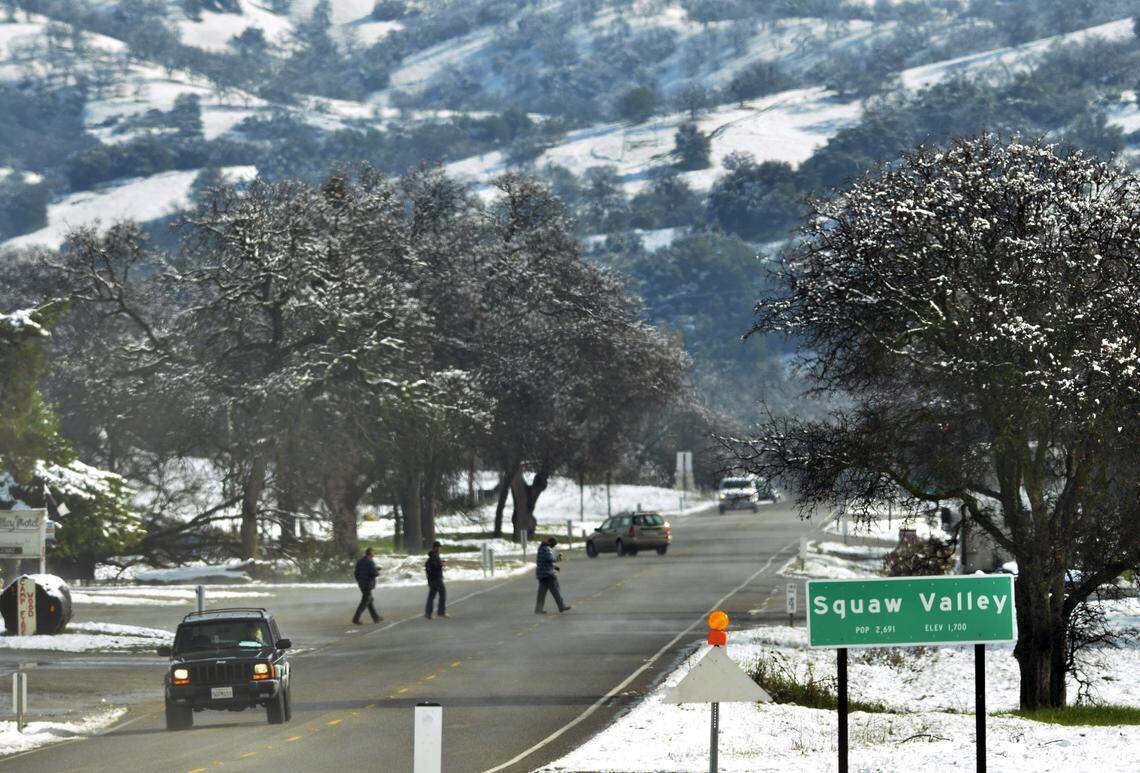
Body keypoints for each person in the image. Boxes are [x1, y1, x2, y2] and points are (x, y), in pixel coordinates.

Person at [535, 537, 571, 614]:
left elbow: (544, 562)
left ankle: (538, 609)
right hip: (548, 575)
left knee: (541, 593)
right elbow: (551, 559)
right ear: (551, 544)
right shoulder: (546, 549)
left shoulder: (541, 549)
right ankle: (561, 607)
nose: (554, 547)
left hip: (541, 574)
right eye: (554, 545)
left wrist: (554, 567)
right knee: (556, 591)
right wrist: (559, 557)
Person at [352, 547, 382, 624]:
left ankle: (376, 617)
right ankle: (356, 619)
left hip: (361, 583)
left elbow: (356, 573)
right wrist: (378, 571)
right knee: (365, 601)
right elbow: (373, 573)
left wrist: (359, 581)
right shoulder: (370, 562)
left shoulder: (360, 561)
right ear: (371, 553)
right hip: (368, 584)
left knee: (369, 600)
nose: (374, 554)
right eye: (374, 552)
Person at [424, 541, 448, 619]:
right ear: (436, 547)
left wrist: (440, 563)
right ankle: (441, 612)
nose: (440, 548)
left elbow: (431, 566)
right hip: (436, 579)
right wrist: (441, 565)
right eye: (439, 547)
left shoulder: (432, 556)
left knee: (431, 596)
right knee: (443, 594)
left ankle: (428, 613)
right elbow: (435, 567)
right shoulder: (435, 556)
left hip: (431, 579)